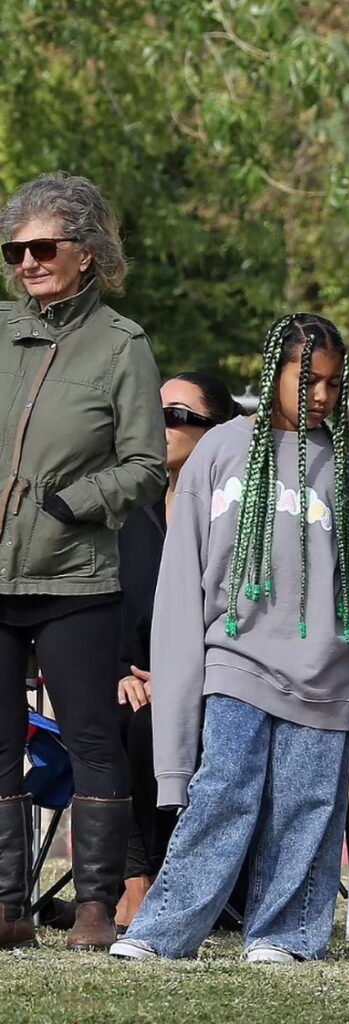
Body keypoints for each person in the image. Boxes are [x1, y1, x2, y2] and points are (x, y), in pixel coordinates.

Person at [110, 313, 349, 964]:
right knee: (221, 793)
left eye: (333, 383)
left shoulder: (348, 473)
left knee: (307, 806)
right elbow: (183, 578)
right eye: (309, 379)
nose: (322, 396)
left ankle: (284, 935)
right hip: (235, 660)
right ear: (275, 372)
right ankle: (161, 933)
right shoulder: (219, 450)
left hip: (324, 678)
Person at [0, 173, 166, 952]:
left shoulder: (122, 345)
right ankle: (8, 909)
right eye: (15, 250)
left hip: (74, 579)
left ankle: (98, 908)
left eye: (42, 247)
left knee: (92, 739)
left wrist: (71, 503)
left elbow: (144, 464)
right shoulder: (0, 331)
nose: (27, 262)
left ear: (87, 253)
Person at [115, 372, 244, 931]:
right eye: (153, 411)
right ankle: (132, 884)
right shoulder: (126, 514)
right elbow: (100, 612)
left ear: (216, 432)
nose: (160, 425)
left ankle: (183, 886)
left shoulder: (241, 517)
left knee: (152, 725)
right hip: (136, 682)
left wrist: (181, 676)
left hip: (223, 680)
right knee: (115, 713)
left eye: (178, 416)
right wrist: (120, 670)